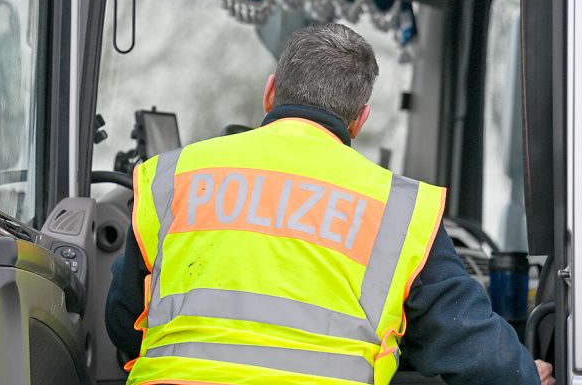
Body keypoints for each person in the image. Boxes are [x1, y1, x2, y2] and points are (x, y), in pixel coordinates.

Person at [106, 22, 555, 385]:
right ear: (360, 119)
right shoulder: (398, 210)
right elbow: (468, 343)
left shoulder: (171, 178)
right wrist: (523, 376)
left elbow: (124, 321)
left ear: (270, 91)